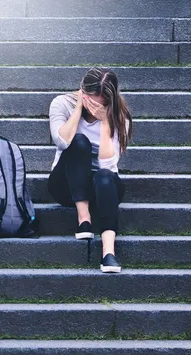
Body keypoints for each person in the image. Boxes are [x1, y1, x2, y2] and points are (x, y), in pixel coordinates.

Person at [47, 67, 133, 273]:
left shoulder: (120, 116)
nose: (94, 107)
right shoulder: (61, 104)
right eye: (90, 100)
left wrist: (105, 123)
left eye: (101, 103)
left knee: (104, 176)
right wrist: (78, 108)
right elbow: (62, 141)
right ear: (82, 91)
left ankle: (108, 252)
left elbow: (108, 165)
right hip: (67, 185)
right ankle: (83, 219)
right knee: (78, 142)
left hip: (102, 187)